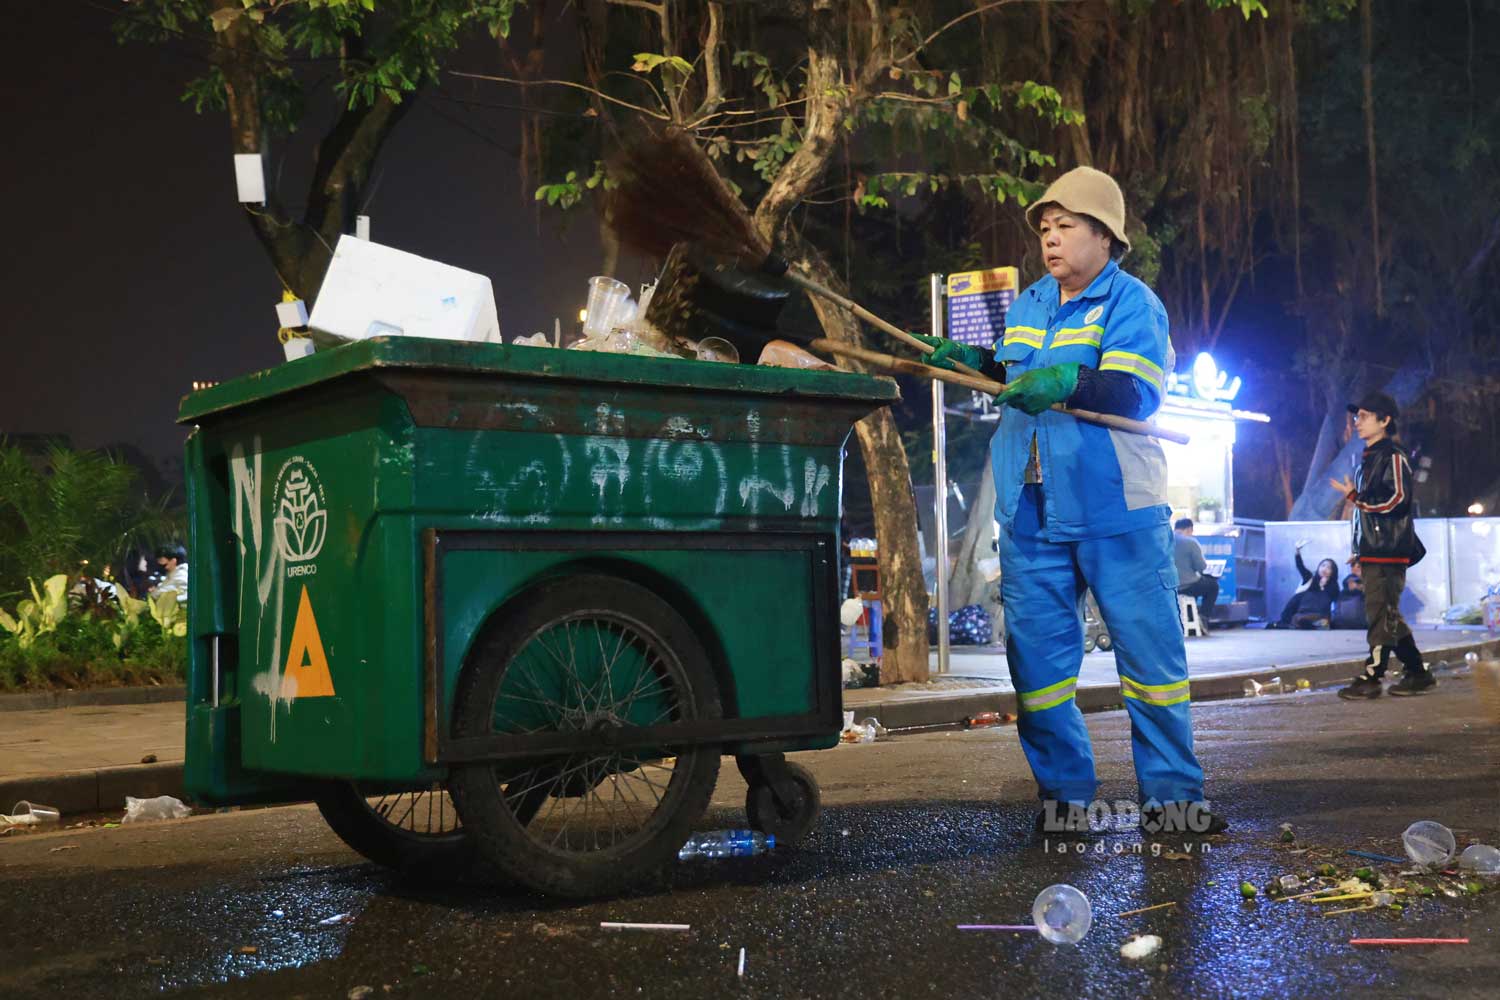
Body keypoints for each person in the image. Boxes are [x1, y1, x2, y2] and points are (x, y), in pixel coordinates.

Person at [914, 166, 1223, 837]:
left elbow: (1134, 395)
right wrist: (973, 361)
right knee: (1040, 676)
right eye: (1046, 230)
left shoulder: (1133, 305)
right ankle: (1065, 803)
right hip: (1029, 511)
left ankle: (1173, 803)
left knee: (1150, 666)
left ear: (1105, 237)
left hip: (1116, 511)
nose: (1050, 241)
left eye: (1066, 228)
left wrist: (1065, 381)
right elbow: (1011, 374)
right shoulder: (1029, 304)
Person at [1331, 392, 1432, 699]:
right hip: (1376, 550)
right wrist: (1360, 549)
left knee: (1379, 612)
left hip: (1390, 551)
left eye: (1364, 416)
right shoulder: (1368, 459)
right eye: (1356, 416)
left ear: (1384, 421)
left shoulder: (1393, 457)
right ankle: (1417, 672)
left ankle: (1373, 675)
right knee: (1386, 614)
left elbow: (1397, 501)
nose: (1357, 422)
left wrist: (1354, 498)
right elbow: (1364, 514)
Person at [1268, 540, 1339, 629]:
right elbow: (1300, 566)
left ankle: (1309, 623)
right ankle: (1293, 622)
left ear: (1333, 572)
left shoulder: (1334, 586)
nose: (1324, 569)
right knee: (1300, 596)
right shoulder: (1310, 578)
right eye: (1323, 565)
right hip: (1304, 612)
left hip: (1320, 615)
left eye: (1329, 567)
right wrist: (1297, 551)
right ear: (1318, 567)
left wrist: (1322, 587)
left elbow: (1332, 603)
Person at [1173, 518, 1219, 621]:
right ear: (1189, 529)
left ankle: (1190, 618)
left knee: (1197, 584)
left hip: (1168, 586)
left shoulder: (1164, 541)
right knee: (1212, 586)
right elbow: (1201, 567)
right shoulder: (1190, 542)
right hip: (1186, 586)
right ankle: (1203, 618)